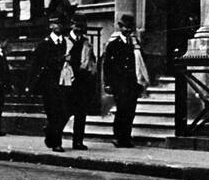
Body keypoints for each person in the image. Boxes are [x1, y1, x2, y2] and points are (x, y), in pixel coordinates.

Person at [103, 13, 146, 148]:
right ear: (120, 27)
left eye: (130, 28)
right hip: (119, 84)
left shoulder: (135, 44)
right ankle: (118, 137)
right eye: (125, 27)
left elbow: (140, 63)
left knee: (130, 111)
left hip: (132, 84)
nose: (128, 30)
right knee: (121, 110)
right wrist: (108, 83)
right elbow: (107, 66)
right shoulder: (113, 45)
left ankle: (126, 137)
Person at [27, 14, 70, 152]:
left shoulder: (65, 43)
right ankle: (56, 142)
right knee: (53, 114)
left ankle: (50, 132)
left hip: (63, 84)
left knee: (64, 113)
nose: (58, 26)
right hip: (49, 85)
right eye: (55, 24)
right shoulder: (44, 44)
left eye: (60, 24)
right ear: (51, 26)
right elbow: (37, 64)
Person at [64, 15, 97, 150]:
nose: (79, 29)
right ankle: (54, 136)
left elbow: (91, 61)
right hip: (67, 82)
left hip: (82, 83)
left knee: (81, 113)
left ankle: (78, 141)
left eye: (82, 27)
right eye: (77, 26)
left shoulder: (86, 42)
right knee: (64, 111)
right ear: (71, 25)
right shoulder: (65, 41)